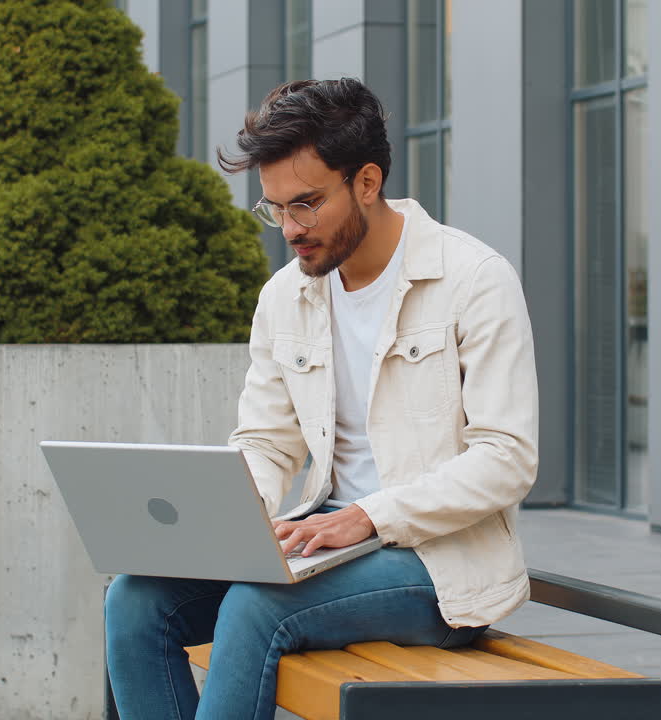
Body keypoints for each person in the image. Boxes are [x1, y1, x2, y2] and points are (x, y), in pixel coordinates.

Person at [104, 77, 539, 720]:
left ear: (366, 182)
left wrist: (368, 517)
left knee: (257, 605)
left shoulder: (473, 280)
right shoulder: (285, 297)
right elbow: (266, 441)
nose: (288, 228)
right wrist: (232, 520)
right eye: (274, 208)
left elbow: (506, 458)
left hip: (437, 563)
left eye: (305, 204)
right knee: (135, 598)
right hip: (323, 546)